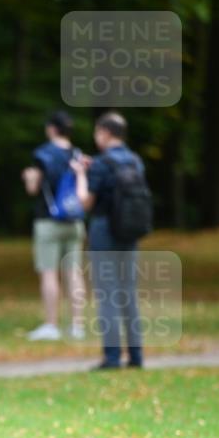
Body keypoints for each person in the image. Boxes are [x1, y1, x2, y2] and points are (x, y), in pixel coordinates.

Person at [71, 111, 146, 369]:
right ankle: (136, 356)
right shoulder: (135, 162)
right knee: (128, 293)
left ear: (104, 132)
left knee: (107, 294)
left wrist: (81, 174)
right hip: (129, 232)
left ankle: (112, 357)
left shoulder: (103, 163)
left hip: (104, 231)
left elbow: (86, 201)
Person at [21, 110, 86, 341]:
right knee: (74, 272)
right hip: (75, 220)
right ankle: (77, 326)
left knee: (49, 273)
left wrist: (28, 177)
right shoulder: (77, 154)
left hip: (48, 221)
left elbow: (33, 188)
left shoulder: (43, 154)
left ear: (51, 128)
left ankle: (52, 325)